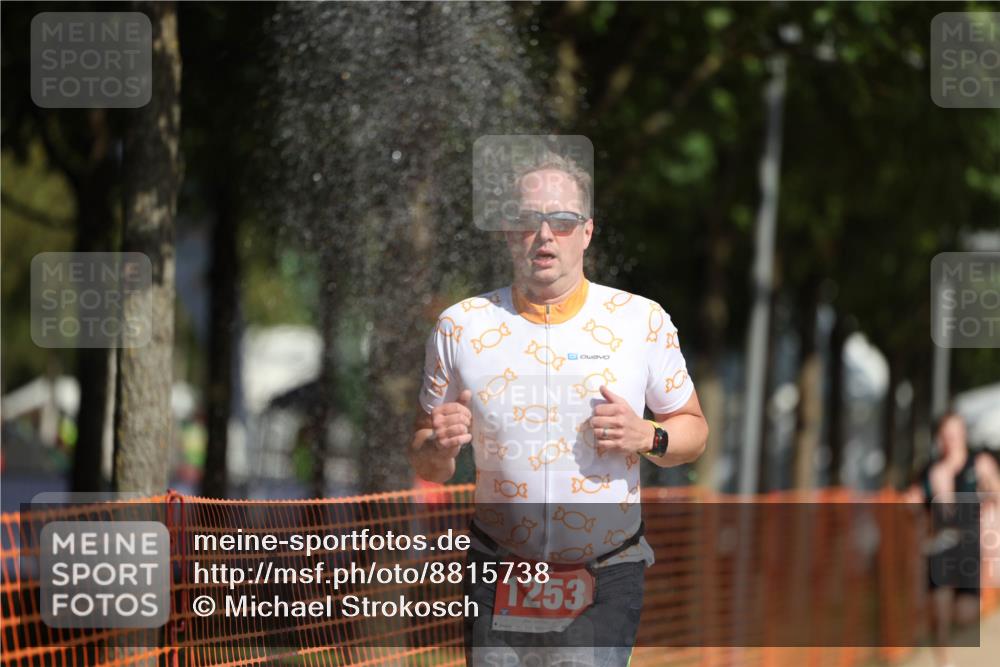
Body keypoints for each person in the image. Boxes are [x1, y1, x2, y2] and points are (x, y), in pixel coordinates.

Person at [408, 152, 709, 666]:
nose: (545, 235)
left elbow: (694, 431)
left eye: (563, 221)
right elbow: (425, 462)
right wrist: (437, 442)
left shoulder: (640, 322)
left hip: (605, 571)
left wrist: (648, 436)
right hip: (497, 571)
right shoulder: (461, 327)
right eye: (529, 221)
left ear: (587, 232)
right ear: (508, 231)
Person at [906, 411, 1000, 667]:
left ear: (963, 435)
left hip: (969, 547)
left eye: (955, 434)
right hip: (939, 546)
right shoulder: (930, 469)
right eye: (946, 435)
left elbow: (995, 491)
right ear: (940, 437)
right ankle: (944, 662)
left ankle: (958, 627)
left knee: (966, 613)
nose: (951, 440)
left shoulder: (978, 464)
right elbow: (914, 498)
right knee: (941, 608)